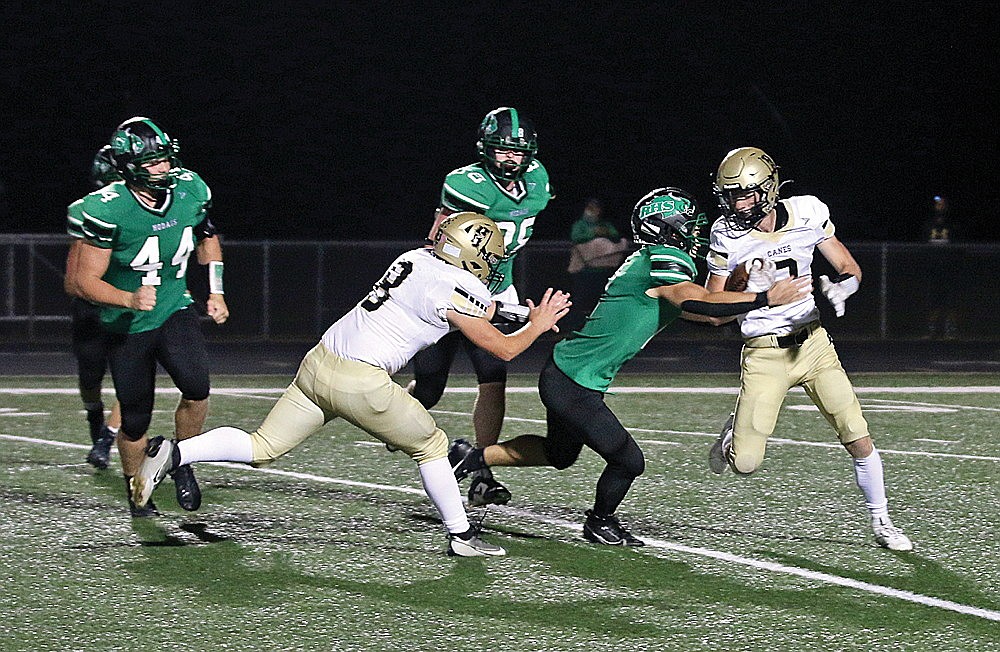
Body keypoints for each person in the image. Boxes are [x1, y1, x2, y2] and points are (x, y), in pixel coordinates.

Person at [131, 213, 572, 556]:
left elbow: (474, 307)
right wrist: (538, 324)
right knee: (433, 447)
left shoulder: (415, 259)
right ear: (471, 253)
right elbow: (503, 349)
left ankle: (175, 452)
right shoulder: (455, 284)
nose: (491, 266)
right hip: (361, 381)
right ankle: (461, 534)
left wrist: (517, 316)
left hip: (319, 363)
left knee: (263, 446)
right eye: (489, 257)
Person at [448, 188, 811, 546]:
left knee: (559, 454)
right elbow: (701, 303)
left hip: (568, 373)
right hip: (575, 382)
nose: (693, 232)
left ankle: (471, 456)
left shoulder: (651, 262)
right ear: (668, 228)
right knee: (628, 461)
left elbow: (708, 315)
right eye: (686, 224)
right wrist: (763, 298)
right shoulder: (664, 258)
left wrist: (738, 286)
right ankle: (599, 521)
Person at [701, 146, 913, 551]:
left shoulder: (809, 212)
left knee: (856, 431)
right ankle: (733, 435)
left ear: (768, 189)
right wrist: (742, 288)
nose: (735, 204)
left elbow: (849, 268)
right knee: (745, 464)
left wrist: (843, 287)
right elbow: (714, 312)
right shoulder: (726, 234)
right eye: (729, 195)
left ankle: (882, 520)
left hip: (814, 344)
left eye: (744, 194)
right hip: (764, 352)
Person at [65, 116, 229, 517]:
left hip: (174, 307)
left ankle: (183, 463)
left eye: (165, 159)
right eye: (152, 162)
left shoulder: (190, 189)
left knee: (197, 388)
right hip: (126, 324)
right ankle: (136, 486)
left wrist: (216, 289)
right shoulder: (106, 208)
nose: (163, 168)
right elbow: (79, 281)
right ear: (130, 167)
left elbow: (207, 236)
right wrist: (127, 297)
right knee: (135, 419)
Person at [408, 107, 553, 509]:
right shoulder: (466, 183)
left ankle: (481, 471)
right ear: (485, 150)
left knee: (493, 376)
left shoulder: (538, 178)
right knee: (431, 389)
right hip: (452, 289)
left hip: (496, 290)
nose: (511, 158)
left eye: (517, 151)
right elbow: (441, 231)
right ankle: (399, 410)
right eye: (502, 151)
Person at [64, 145, 124, 469]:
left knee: (134, 378)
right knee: (90, 377)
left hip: (132, 308)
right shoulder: (88, 210)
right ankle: (94, 416)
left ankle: (107, 438)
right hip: (93, 307)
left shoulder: (151, 208)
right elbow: (73, 281)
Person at [566, 198, 629, 330]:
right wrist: (593, 233)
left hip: (604, 271)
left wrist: (606, 233)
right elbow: (576, 237)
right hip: (584, 271)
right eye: (590, 207)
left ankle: (602, 328)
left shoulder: (605, 224)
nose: (593, 210)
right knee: (579, 302)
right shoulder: (580, 224)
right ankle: (575, 328)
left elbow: (616, 236)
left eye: (596, 207)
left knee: (602, 301)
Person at [921, 194, 961, 339]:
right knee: (933, 299)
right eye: (938, 204)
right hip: (933, 267)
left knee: (950, 299)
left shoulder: (952, 223)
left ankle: (951, 330)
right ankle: (932, 330)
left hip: (949, 267)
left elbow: (958, 243)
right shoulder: (929, 223)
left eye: (942, 204)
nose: (940, 206)